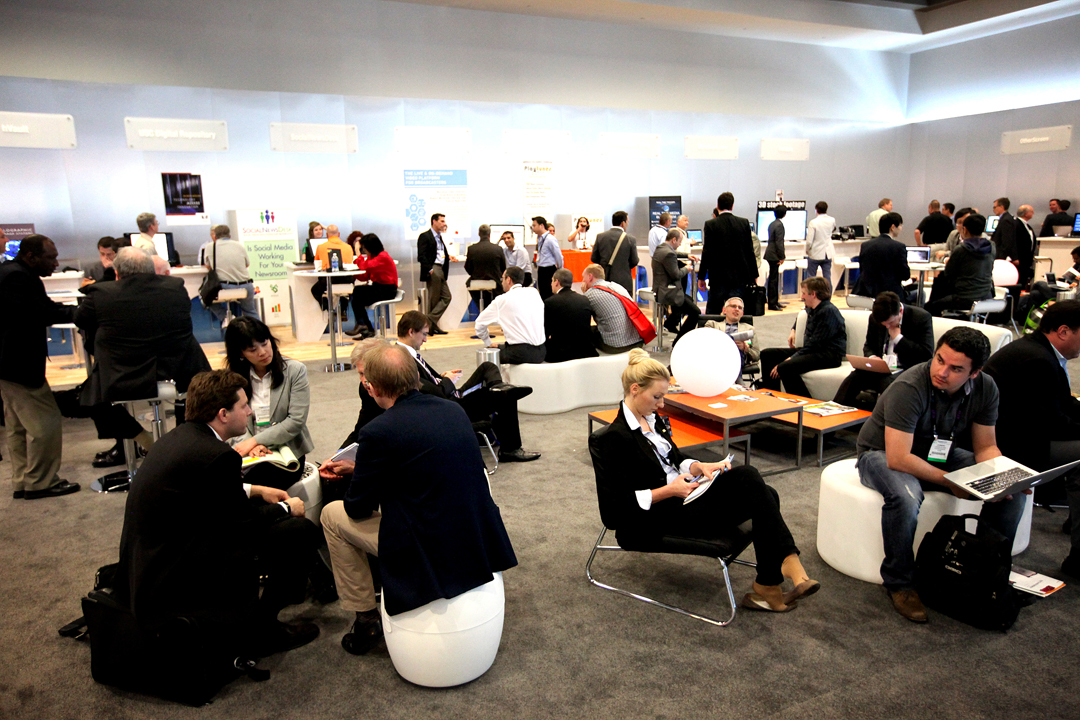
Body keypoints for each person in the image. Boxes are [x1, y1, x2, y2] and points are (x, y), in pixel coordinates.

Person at [320, 342, 518, 655]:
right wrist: (366, 468)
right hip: (475, 531)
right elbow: (424, 464)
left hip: (425, 545)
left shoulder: (377, 432)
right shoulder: (453, 411)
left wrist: (362, 473)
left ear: (372, 388)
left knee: (332, 515)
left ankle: (365, 617)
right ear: (416, 377)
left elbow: (357, 507)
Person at [591, 349, 819, 612]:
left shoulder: (651, 419)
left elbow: (673, 458)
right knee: (749, 478)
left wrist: (698, 466)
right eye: (657, 397)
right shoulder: (612, 438)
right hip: (657, 515)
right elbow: (614, 511)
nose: (661, 404)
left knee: (767, 493)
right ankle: (783, 567)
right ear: (634, 390)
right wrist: (669, 490)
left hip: (686, 496)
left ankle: (769, 584)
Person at [113, 369, 320, 658]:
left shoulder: (180, 438)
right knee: (299, 532)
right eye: (243, 406)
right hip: (176, 570)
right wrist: (287, 507)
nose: (249, 412)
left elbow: (206, 490)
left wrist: (256, 490)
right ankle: (262, 629)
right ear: (223, 414)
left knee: (264, 517)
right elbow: (242, 525)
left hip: (148, 563)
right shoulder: (217, 454)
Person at [855, 327, 1026, 623]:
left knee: (1010, 495)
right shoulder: (909, 387)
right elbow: (899, 457)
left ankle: (985, 568)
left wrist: (1002, 475)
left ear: (975, 373)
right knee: (906, 497)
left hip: (938, 452)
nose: (942, 372)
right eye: (939, 360)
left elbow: (986, 447)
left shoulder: (986, 388)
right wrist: (952, 483)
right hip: (881, 453)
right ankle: (899, 581)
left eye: (956, 368)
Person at [75, 247, 211, 468]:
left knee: (93, 397)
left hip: (124, 377)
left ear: (117, 273)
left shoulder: (101, 293)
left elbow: (80, 320)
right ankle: (184, 446)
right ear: (151, 270)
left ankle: (144, 441)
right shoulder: (175, 287)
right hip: (181, 372)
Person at [982, 300, 1080, 579]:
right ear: (1064, 331)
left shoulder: (1038, 351)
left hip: (1021, 436)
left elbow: (1062, 405)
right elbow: (1052, 424)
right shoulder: (1037, 361)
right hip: (1011, 446)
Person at [397, 311, 540, 463]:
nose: (425, 340)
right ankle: (510, 449)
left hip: (450, 397)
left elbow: (428, 384)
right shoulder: (404, 361)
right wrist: (447, 381)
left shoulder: (406, 355)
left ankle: (498, 387)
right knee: (506, 395)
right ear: (411, 332)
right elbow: (434, 393)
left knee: (488, 367)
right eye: (424, 334)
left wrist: (442, 377)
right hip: (449, 406)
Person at [0, 234, 79, 499]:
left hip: (9, 365)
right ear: (31, 257)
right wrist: (78, 312)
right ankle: (40, 482)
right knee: (45, 423)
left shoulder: (13, 272)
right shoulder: (17, 277)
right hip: (18, 365)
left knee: (18, 427)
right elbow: (41, 312)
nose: (55, 263)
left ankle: (23, 480)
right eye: (51, 258)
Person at [223, 317, 314, 490]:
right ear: (241, 353)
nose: (263, 352)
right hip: (247, 451)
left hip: (285, 450)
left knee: (254, 486)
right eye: (253, 350)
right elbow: (230, 420)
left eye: (265, 343)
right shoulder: (232, 378)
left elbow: (296, 421)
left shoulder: (294, 371)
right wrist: (250, 445)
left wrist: (255, 441)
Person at [318, 337, 389, 504]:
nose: (364, 381)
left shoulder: (410, 395)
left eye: (368, 373)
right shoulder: (366, 389)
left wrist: (358, 468)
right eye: (361, 373)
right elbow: (362, 429)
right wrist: (337, 456)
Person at [834, 291, 933, 410]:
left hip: (906, 368)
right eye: (884, 324)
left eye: (890, 323)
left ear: (900, 311)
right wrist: (873, 358)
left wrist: (898, 338)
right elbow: (869, 346)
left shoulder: (921, 318)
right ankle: (834, 411)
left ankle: (884, 419)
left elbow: (926, 354)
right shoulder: (875, 318)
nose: (887, 327)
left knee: (888, 383)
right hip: (882, 368)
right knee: (854, 377)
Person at [759, 277, 846, 398]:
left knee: (785, 367)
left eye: (804, 293)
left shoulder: (828, 312)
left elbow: (815, 344)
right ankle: (771, 397)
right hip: (814, 351)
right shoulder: (813, 308)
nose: (802, 297)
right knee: (767, 354)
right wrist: (793, 329)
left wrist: (792, 358)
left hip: (828, 355)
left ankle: (803, 402)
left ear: (813, 294)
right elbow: (803, 315)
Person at [925, 213, 995, 317]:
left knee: (930, 306)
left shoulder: (961, 249)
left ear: (965, 230)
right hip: (986, 296)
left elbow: (948, 274)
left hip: (964, 298)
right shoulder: (992, 247)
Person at [699, 192, 757, 313]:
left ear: (717, 205)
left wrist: (701, 277)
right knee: (736, 311)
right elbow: (749, 251)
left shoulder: (711, 224)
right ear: (732, 206)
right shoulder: (743, 223)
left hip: (718, 276)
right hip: (739, 276)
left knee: (713, 312)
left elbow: (707, 252)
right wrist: (754, 275)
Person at [475, 267, 546, 364]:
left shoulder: (501, 300)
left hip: (520, 353)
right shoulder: (534, 292)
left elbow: (479, 324)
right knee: (504, 347)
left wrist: (488, 342)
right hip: (541, 351)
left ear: (508, 280)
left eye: (503, 278)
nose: (502, 282)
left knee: (487, 357)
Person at [200, 224, 258, 326]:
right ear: (229, 235)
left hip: (226, 286)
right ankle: (261, 332)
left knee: (205, 297)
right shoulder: (239, 245)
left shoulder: (210, 247)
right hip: (246, 286)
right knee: (250, 311)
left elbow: (208, 266)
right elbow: (247, 264)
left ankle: (226, 317)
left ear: (215, 236)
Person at [345, 233, 398, 340]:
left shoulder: (383, 257)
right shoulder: (372, 257)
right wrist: (352, 274)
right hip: (378, 287)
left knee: (358, 295)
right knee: (357, 295)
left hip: (387, 289)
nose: (364, 250)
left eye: (364, 248)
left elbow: (365, 266)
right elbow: (365, 276)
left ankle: (365, 327)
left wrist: (357, 253)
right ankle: (365, 327)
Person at [652, 228, 700, 345]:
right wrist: (686, 269)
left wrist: (687, 255)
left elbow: (674, 253)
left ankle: (671, 324)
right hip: (668, 292)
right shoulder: (669, 253)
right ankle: (679, 341)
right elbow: (676, 274)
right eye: (679, 242)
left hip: (662, 289)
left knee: (688, 301)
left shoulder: (661, 248)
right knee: (696, 312)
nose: (679, 245)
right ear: (674, 240)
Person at [582, 264, 644, 353]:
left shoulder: (590, 294)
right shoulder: (617, 286)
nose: (583, 281)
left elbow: (582, 318)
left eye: (583, 277)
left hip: (615, 345)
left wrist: (585, 293)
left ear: (590, 277)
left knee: (584, 332)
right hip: (637, 341)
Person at [851, 211, 910, 299]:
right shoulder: (899, 247)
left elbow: (863, 269)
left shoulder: (865, 245)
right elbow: (905, 275)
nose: (901, 228)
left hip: (868, 293)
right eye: (900, 225)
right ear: (893, 227)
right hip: (890, 296)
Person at [544, 267, 597, 363]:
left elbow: (545, 332)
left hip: (561, 354)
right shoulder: (584, 299)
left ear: (557, 282)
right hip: (585, 350)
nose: (551, 284)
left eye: (552, 281)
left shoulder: (550, 302)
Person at [417, 213, 452, 334]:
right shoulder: (425, 236)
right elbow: (421, 256)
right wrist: (430, 269)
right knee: (434, 299)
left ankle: (429, 321)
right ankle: (430, 327)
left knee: (446, 297)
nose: (444, 224)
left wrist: (448, 257)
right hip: (434, 269)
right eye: (442, 221)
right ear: (434, 221)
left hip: (441, 269)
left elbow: (440, 253)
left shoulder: (439, 237)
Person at [704, 296, 759, 373]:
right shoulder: (712, 325)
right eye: (733, 306)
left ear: (742, 314)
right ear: (724, 310)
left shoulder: (749, 329)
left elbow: (756, 356)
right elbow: (704, 344)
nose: (737, 309)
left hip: (738, 358)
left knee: (738, 353)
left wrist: (745, 349)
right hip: (717, 355)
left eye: (740, 308)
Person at [591, 211, 638, 297]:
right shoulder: (630, 239)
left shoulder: (600, 237)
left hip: (604, 281)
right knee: (624, 304)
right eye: (627, 222)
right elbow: (634, 261)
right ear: (623, 223)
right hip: (624, 282)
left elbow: (594, 258)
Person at [310, 224, 354, 314]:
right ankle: (343, 308)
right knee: (343, 293)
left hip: (329, 281)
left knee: (315, 290)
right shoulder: (348, 247)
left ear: (327, 235)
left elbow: (317, 265)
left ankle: (328, 309)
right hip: (348, 280)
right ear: (339, 234)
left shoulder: (321, 247)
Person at [464, 224, 506, 312]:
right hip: (495, 283)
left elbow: (468, 268)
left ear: (479, 234)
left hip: (477, 281)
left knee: (471, 286)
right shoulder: (498, 249)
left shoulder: (471, 249)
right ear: (489, 234)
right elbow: (503, 267)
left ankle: (482, 309)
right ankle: (491, 310)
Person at [804, 201, 836, 290]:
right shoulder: (832, 220)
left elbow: (809, 241)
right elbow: (832, 229)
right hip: (827, 253)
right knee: (827, 277)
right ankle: (828, 295)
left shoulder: (813, 223)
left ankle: (811, 294)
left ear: (816, 210)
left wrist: (807, 250)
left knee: (811, 278)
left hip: (815, 253)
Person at [533, 215, 563, 300]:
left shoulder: (550, 239)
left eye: (534, 225)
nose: (533, 228)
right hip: (541, 269)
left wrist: (560, 269)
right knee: (542, 293)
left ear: (541, 225)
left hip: (549, 270)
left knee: (549, 294)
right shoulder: (540, 238)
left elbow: (558, 255)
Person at [764, 205, 787, 311]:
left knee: (773, 279)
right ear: (784, 214)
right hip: (774, 255)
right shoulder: (779, 225)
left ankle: (774, 301)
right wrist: (781, 256)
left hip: (770, 253)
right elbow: (779, 242)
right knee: (774, 280)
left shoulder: (772, 224)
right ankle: (772, 304)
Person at [1010, 204, 1036, 287]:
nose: (1033, 213)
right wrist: (1015, 257)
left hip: (1026, 259)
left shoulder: (1027, 226)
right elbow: (1013, 241)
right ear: (1026, 213)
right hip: (1020, 258)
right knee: (1019, 280)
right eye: (1031, 211)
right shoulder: (1016, 224)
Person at [991, 197, 1017, 265]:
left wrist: (1001, 257)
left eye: (995, 207)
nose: (993, 210)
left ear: (1001, 207)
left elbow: (1006, 241)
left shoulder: (1006, 220)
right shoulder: (1005, 218)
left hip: (1001, 257)